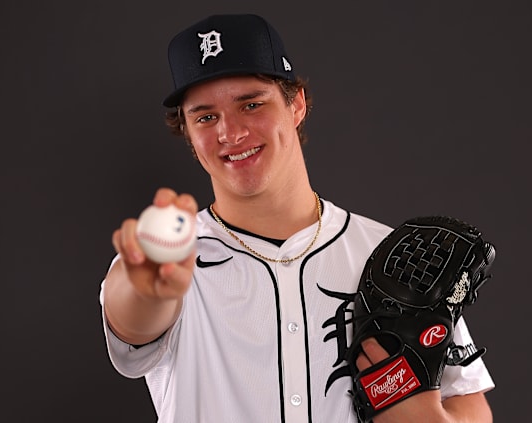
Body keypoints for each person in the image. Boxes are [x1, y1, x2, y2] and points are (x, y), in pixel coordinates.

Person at [99, 13, 495, 423]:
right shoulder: (166, 261)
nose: (230, 133)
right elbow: (133, 319)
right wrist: (149, 293)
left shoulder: (389, 256)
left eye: (251, 104)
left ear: (297, 103)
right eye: (205, 116)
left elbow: (470, 406)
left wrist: (419, 414)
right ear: (187, 131)